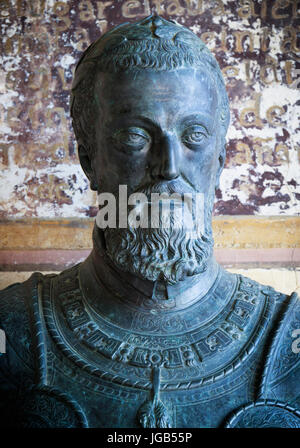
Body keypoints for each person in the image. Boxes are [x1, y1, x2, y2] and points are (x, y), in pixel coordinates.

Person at [0, 15, 299, 428]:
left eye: (194, 135)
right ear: (89, 160)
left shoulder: (290, 339)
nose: (169, 168)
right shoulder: (11, 329)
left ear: (220, 159)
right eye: (135, 138)